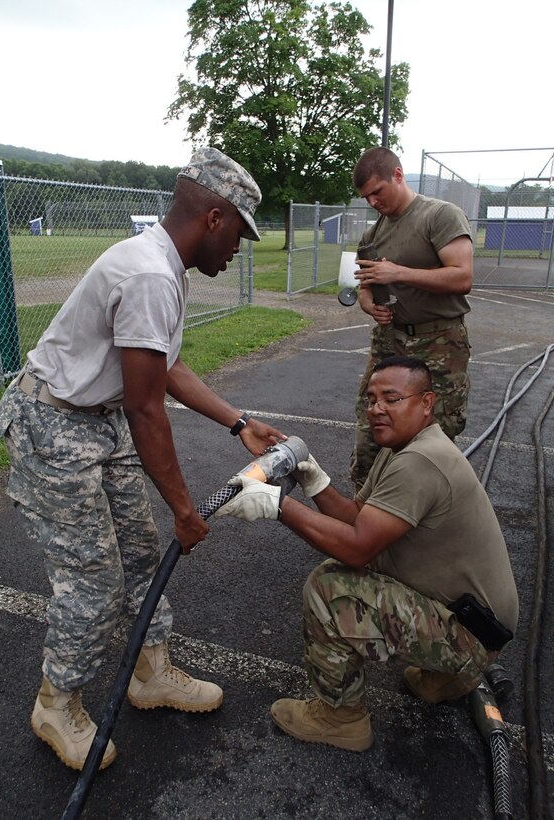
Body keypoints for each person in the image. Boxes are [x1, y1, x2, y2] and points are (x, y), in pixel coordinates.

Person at [0, 147, 286, 771]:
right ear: (212, 217)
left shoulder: (166, 266)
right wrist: (185, 507)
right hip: (55, 425)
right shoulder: (150, 273)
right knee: (92, 582)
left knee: (140, 556)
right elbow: (148, 410)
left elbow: (166, 365)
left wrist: (238, 423)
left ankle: (149, 673)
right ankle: (55, 703)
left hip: (101, 421)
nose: (240, 248)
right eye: (239, 231)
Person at [216, 356, 518, 752]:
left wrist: (278, 507)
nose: (376, 409)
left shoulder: (420, 462)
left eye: (391, 398)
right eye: (371, 399)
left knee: (330, 587)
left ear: (426, 402)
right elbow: (358, 518)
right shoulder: (403, 448)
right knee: (358, 570)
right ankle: (447, 677)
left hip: (470, 632)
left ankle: (341, 718)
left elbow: (357, 549)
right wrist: (315, 480)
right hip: (477, 620)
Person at [350, 146, 474, 491]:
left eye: (378, 191)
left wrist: (399, 272)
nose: (373, 202)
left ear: (398, 176)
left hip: (439, 343)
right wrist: (368, 305)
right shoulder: (372, 235)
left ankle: (430, 520)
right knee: (372, 431)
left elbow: (462, 276)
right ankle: (367, 519)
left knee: (435, 434)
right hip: (390, 341)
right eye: (366, 197)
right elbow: (364, 285)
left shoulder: (439, 216)